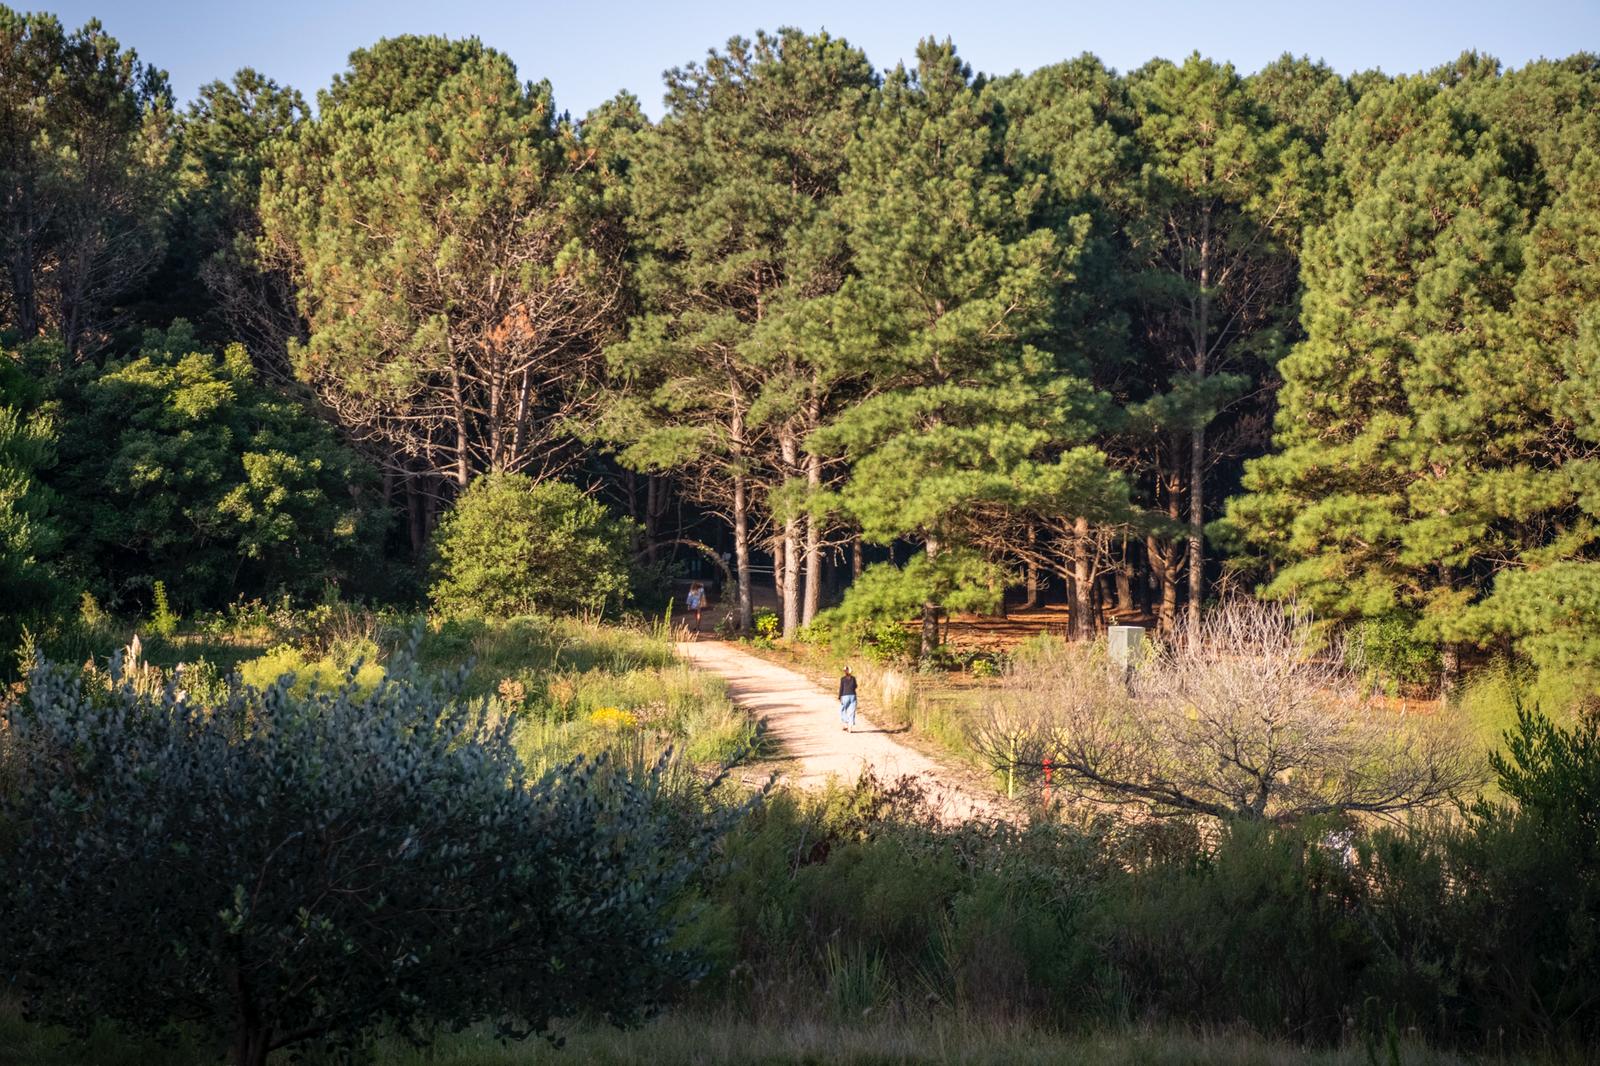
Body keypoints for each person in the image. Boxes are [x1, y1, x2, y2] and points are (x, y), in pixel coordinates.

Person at [838, 666, 858, 732]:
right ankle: (850, 727)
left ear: (845, 672)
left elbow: (841, 688)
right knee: (851, 712)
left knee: (843, 709)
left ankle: (846, 724)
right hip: (853, 696)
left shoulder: (843, 679)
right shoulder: (853, 678)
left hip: (845, 696)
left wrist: (839, 696)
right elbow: (855, 686)